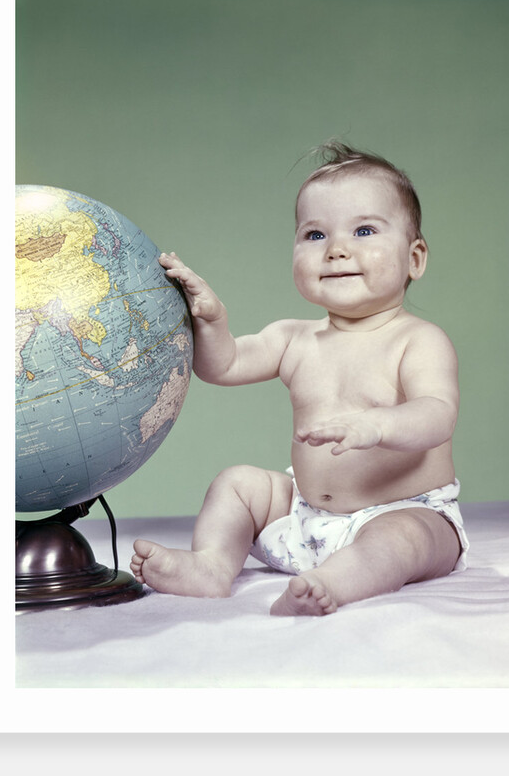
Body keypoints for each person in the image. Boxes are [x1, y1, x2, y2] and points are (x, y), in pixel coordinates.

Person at [131, 141, 469, 616]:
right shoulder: (294, 338)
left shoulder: (418, 340)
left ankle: (334, 583)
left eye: (365, 230)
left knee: (404, 540)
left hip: (404, 508)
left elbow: (437, 415)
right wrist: (212, 321)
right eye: (314, 235)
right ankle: (211, 565)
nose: (336, 250)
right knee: (238, 483)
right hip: (304, 514)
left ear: (414, 258)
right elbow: (222, 366)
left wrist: (376, 426)